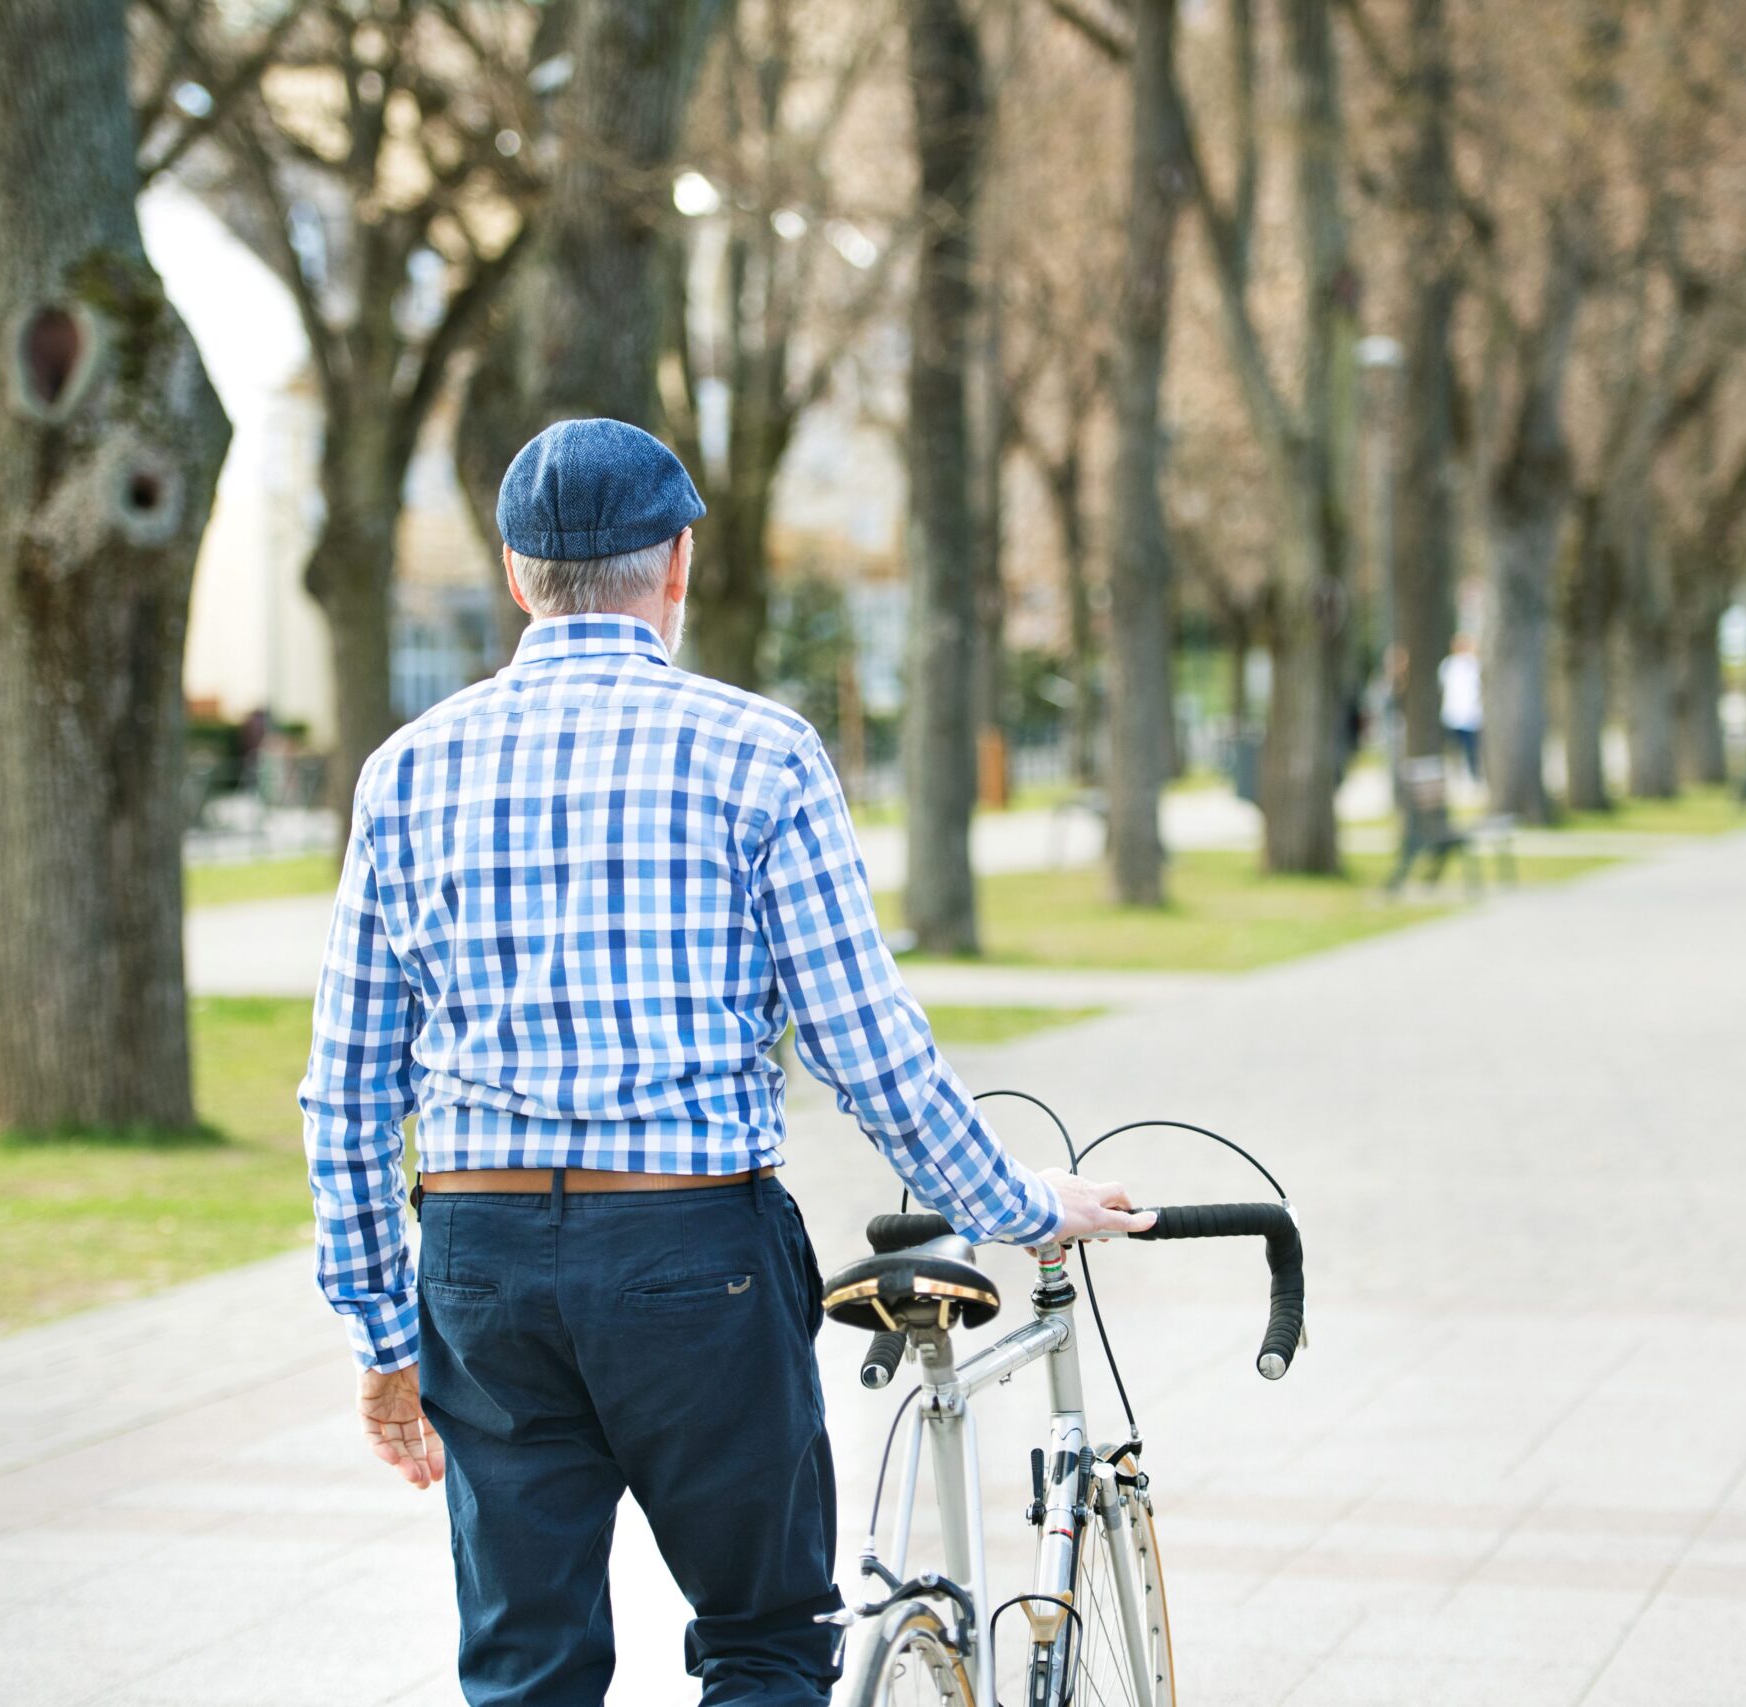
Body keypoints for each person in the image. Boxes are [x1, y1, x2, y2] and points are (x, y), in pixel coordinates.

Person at [299, 417, 1152, 1707]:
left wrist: (379, 1334)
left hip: (478, 1266)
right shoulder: (760, 753)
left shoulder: (406, 773)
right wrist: (1016, 1206)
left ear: (518, 576)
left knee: (525, 1671)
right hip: (691, 1260)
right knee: (760, 1639)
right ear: (679, 564)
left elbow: (351, 1086)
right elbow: (866, 1045)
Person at [1439, 633, 1483, 781]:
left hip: (1471, 716)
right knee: (1454, 748)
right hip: (1453, 715)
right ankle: (1457, 774)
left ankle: (1473, 774)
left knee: (1471, 748)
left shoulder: (1473, 664)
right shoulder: (1448, 664)